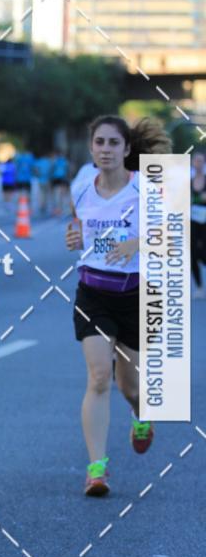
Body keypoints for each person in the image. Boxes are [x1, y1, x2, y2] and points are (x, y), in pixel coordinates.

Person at [66, 115, 171, 497]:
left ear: (127, 149)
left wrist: (136, 244)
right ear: (91, 147)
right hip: (92, 293)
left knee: (130, 386)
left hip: (135, 295)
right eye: (100, 142)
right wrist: (75, 236)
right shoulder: (81, 184)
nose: (106, 149)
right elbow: (80, 228)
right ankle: (97, 469)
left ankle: (141, 414)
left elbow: (169, 232)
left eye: (114, 143)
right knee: (98, 377)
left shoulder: (145, 187)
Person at [190, 151, 206, 298]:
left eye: (201, 161)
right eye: (196, 161)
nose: (198, 163)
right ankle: (199, 287)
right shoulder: (188, 182)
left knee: (203, 252)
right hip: (192, 221)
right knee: (193, 254)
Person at [50, 150, 70, 216]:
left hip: (56, 178)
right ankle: (61, 208)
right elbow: (68, 170)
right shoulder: (65, 161)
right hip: (62, 178)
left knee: (57, 194)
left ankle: (58, 208)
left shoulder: (55, 161)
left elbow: (52, 169)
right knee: (62, 194)